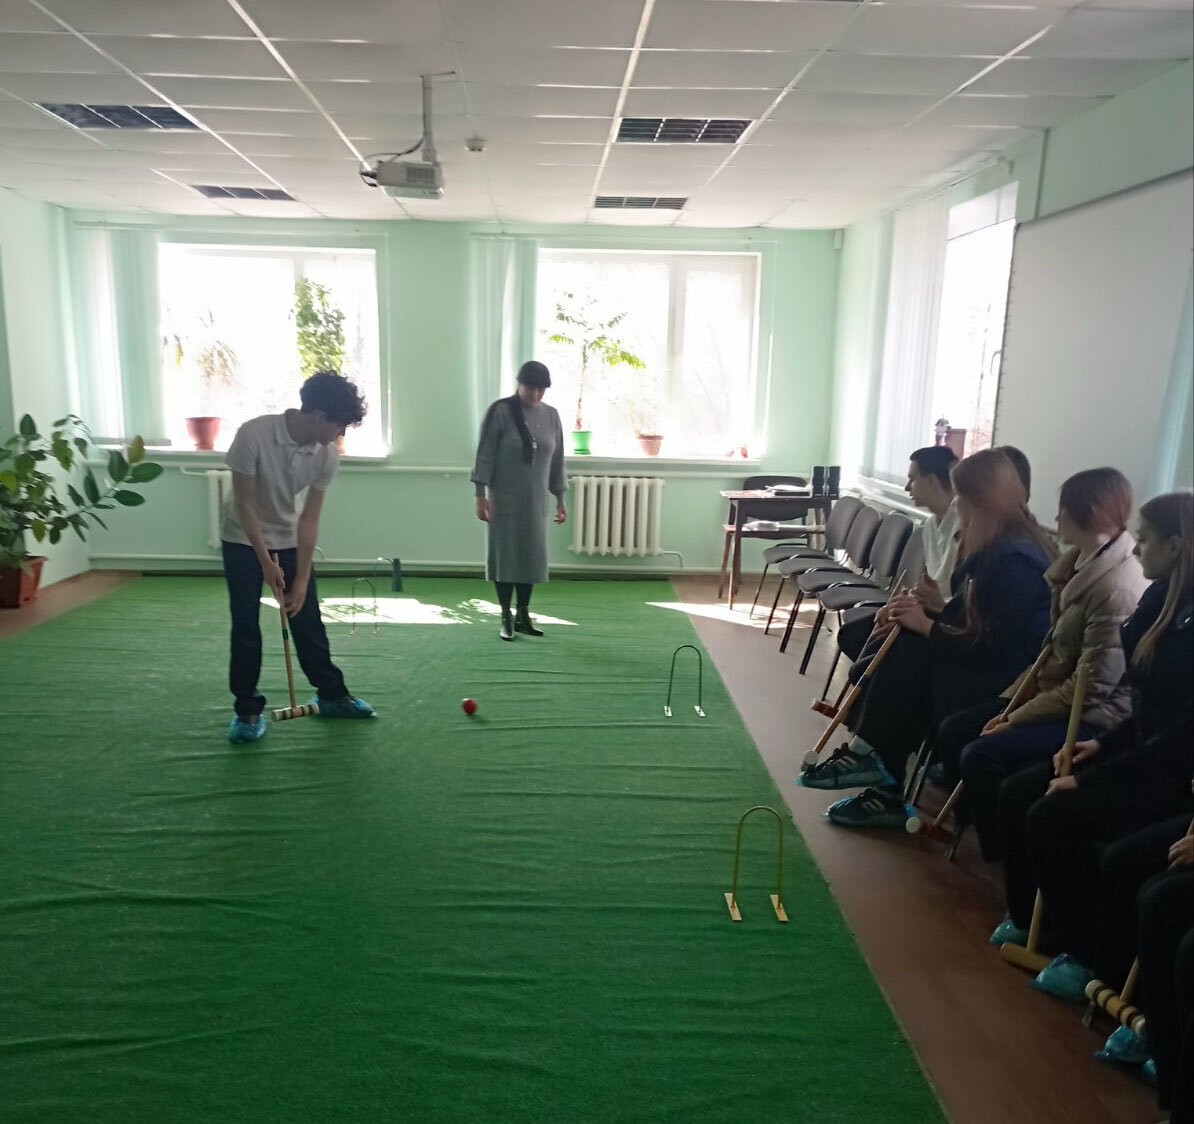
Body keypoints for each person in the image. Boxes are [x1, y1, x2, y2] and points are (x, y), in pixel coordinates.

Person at [990, 492, 1192, 996]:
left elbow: (1180, 737)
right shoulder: (1158, 598)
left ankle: (1087, 955)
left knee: (1053, 813)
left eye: (1144, 539)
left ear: (1175, 546)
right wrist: (1101, 749)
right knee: (1019, 793)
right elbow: (1145, 707)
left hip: (1171, 776)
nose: (1135, 548)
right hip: (1137, 753)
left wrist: (1093, 778)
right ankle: (1042, 924)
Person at [803, 448, 1054, 828]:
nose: (957, 508)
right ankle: (875, 766)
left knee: (910, 656)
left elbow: (993, 647)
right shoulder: (999, 546)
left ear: (979, 503)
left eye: (961, 498)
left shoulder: (1015, 561)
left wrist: (927, 625)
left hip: (1008, 680)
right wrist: (931, 612)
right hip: (989, 662)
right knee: (902, 644)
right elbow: (973, 619)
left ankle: (873, 762)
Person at [930, 468, 1147, 858]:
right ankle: (987, 833)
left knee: (980, 752)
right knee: (959, 728)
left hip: (1094, 717)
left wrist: (1016, 717)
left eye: (1064, 509)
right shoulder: (1077, 563)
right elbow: (1052, 653)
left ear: (1088, 512)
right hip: (1054, 695)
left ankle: (1005, 856)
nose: (1056, 516)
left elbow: (1090, 688)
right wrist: (1009, 702)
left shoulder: (1115, 590)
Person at [221, 371, 375, 743]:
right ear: (319, 417)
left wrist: (302, 578)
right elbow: (245, 505)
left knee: (307, 618)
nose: (340, 434)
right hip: (242, 537)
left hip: (287, 536)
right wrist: (264, 561)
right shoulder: (253, 435)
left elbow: (309, 517)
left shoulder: (326, 455)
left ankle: (332, 695)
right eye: (339, 426)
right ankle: (247, 710)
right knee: (246, 624)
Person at [836, 446, 959, 664]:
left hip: (946, 623)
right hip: (927, 610)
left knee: (878, 651)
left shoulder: (964, 526)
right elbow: (929, 585)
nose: (906, 487)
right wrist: (892, 607)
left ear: (932, 481)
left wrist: (907, 614)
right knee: (851, 635)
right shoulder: (931, 525)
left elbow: (950, 597)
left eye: (912, 479)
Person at [471, 361, 567, 641]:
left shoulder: (552, 416)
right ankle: (505, 616)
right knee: (506, 556)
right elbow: (485, 454)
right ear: (519, 384)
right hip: (503, 499)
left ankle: (523, 614)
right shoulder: (500, 411)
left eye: (541, 389)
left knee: (529, 557)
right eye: (531, 388)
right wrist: (480, 495)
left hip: (535, 501)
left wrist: (560, 498)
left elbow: (557, 460)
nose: (536, 394)